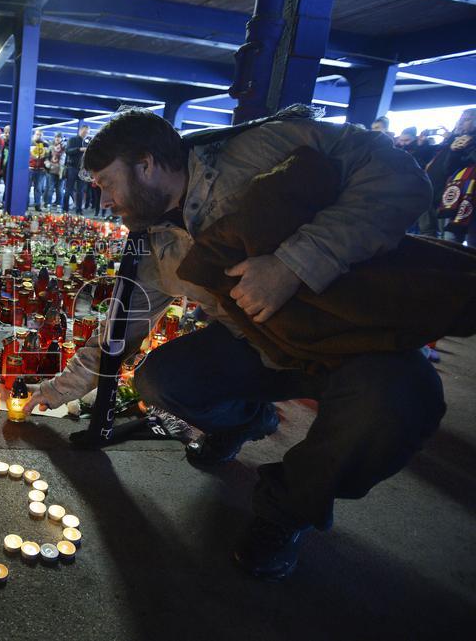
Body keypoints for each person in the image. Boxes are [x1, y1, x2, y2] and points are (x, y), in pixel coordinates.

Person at [25, 106, 442, 580]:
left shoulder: (260, 150)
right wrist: (59, 390)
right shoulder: (153, 240)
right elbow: (123, 327)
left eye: (105, 183)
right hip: (261, 347)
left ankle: (287, 511)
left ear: (146, 164)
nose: (103, 200)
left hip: (353, 336)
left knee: (399, 405)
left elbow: (398, 177)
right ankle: (244, 421)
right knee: (162, 381)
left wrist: (294, 263)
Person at [425, 108, 476, 242]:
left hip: (471, 197)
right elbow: (448, 169)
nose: (460, 124)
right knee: (449, 239)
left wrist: (470, 145)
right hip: (456, 198)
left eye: (466, 120)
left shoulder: (470, 142)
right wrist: (454, 151)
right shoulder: (457, 140)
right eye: (460, 120)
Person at [64, 125, 90, 214]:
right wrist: (79, 149)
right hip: (72, 167)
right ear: (80, 130)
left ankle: (79, 210)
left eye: (87, 132)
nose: (85, 133)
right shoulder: (72, 139)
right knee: (68, 189)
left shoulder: (88, 142)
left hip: (82, 169)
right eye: (84, 131)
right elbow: (67, 151)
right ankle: (65, 209)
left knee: (81, 191)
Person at [45, 132, 66, 211]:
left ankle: (59, 205)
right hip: (51, 170)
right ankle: (48, 204)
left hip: (61, 171)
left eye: (59, 137)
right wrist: (48, 164)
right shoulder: (50, 147)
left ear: (61, 138)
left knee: (60, 189)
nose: (57, 138)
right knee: (50, 188)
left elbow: (66, 159)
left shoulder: (65, 147)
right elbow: (47, 157)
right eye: (56, 137)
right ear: (54, 138)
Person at [29, 130, 48, 211]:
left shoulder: (45, 144)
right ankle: (25, 204)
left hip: (40, 170)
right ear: (34, 135)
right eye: (37, 134)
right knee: (27, 188)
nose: (38, 136)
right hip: (30, 168)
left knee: (38, 189)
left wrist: (45, 168)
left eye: (40, 135)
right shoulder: (29, 143)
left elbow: (47, 157)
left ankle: (37, 205)